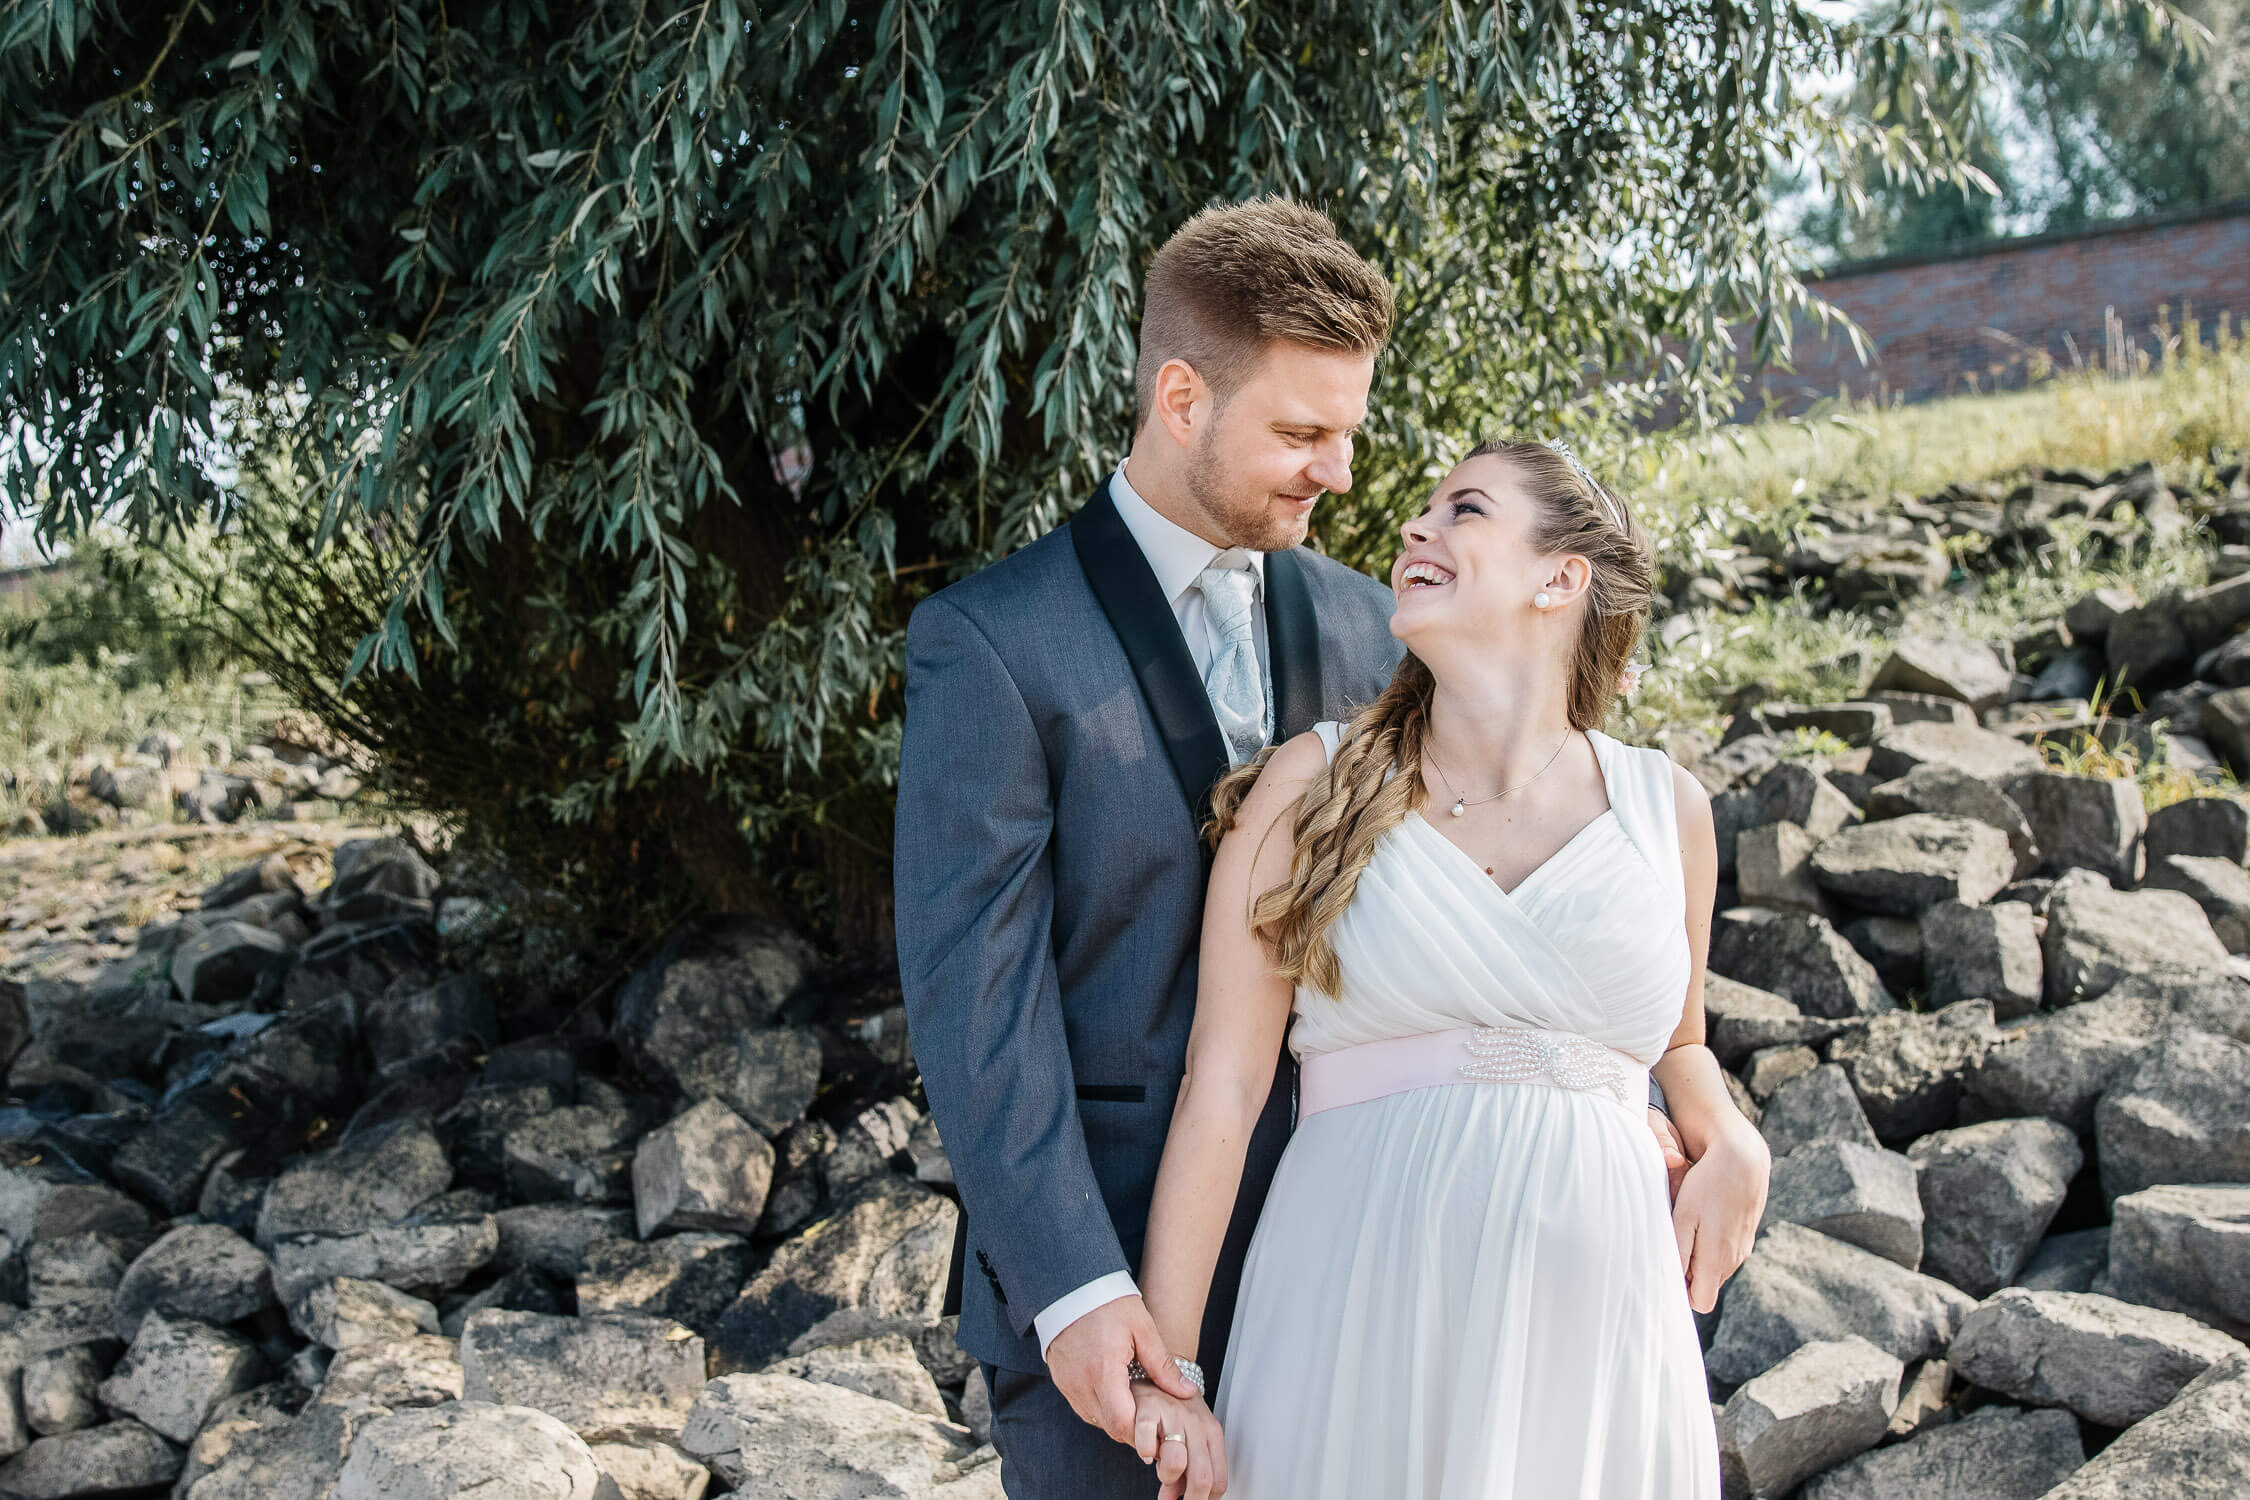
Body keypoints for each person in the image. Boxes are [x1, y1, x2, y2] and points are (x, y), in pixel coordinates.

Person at [1125, 439, 1771, 1499]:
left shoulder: (1670, 809)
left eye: (1463, 510)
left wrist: (1731, 1133)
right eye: (1422, 513)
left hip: (1594, 1321)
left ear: (1560, 579)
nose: (1416, 530)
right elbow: (1224, 1093)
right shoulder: (1314, 783)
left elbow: (1678, 1041)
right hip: (1359, 1290)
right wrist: (1174, 1370)